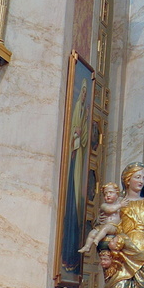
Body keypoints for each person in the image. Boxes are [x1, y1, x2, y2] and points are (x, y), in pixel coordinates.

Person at [61, 79, 89, 272]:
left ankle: (72, 257)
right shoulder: (77, 107)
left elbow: (86, 138)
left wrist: (81, 134)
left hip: (79, 162)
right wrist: (74, 135)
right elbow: (74, 133)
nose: (85, 95)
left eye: (87, 93)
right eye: (84, 92)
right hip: (73, 161)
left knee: (77, 208)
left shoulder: (85, 113)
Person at [79, 182, 122, 253]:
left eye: (111, 192)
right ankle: (87, 246)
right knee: (92, 233)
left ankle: (97, 239)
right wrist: (120, 205)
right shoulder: (104, 205)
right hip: (102, 226)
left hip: (113, 227)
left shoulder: (120, 202)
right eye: (105, 194)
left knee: (106, 227)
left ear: (117, 194)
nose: (108, 195)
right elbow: (110, 210)